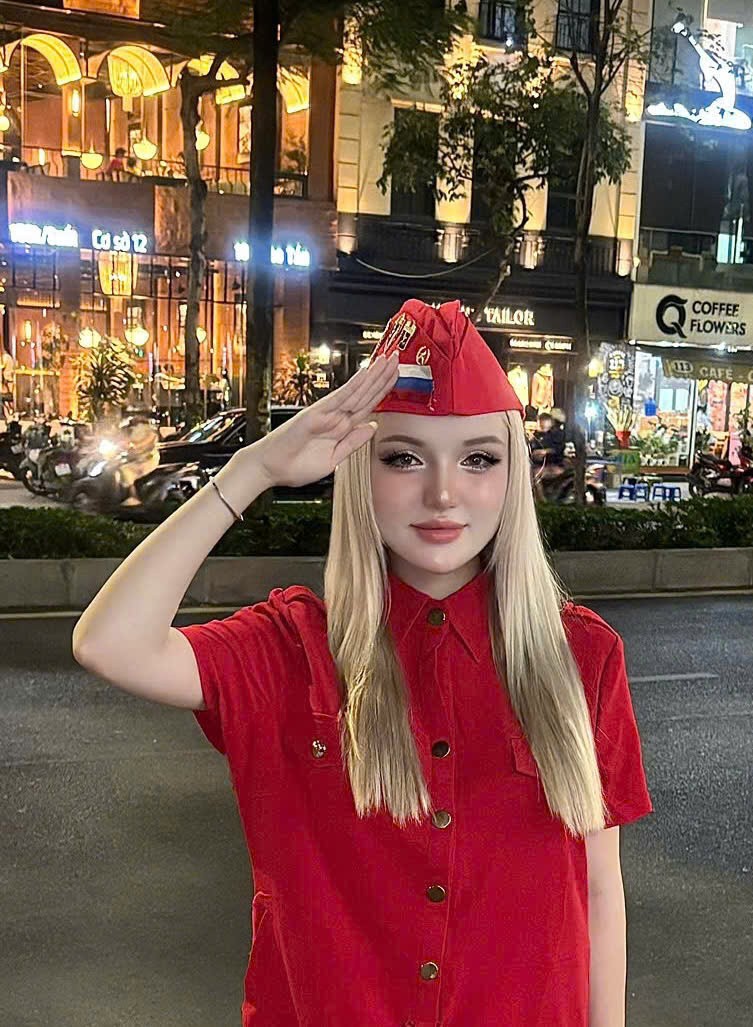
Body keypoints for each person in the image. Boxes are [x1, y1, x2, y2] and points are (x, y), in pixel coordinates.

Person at [72, 299, 653, 1025]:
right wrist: (253, 469)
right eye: (403, 457)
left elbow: (598, 889)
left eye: (478, 458)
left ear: (513, 474)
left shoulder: (581, 656)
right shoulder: (291, 649)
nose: (443, 492)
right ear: (358, 467)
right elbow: (110, 643)